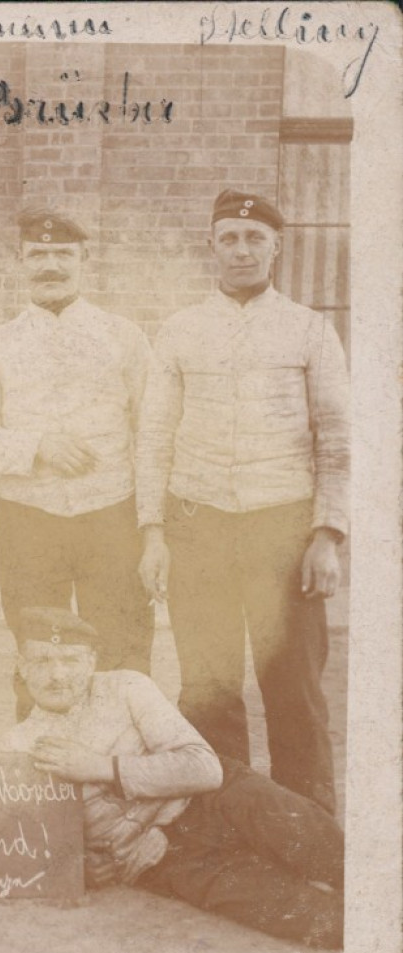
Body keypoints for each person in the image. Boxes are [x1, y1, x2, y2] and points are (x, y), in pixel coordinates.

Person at [137, 189, 351, 814]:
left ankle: (307, 826)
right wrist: (153, 532)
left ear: (276, 246)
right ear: (211, 246)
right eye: (229, 238)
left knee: (293, 685)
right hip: (197, 525)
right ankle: (223, 820)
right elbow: (154, 438)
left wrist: (327, 535)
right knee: (207, 685)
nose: (241, 250)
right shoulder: (179, 330)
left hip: (282, 529)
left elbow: (337, 437)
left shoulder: (310, 329)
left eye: (254, 238)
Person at [6, 607, 343, 949]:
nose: (57, 675)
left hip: (217, 800)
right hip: (162, 856)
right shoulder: (15, 746)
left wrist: (102, 767)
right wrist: (78, 866)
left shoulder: (127, 687)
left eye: (71, 659)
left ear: (92, 660)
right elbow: (24, 840)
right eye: (42, 661)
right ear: (21, 666)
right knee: (293, 912)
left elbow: (204, 768)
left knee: (320, 844)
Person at [0, 209, 154, 718]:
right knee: (38, 651)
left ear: (84, 259)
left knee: (121, 649)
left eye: (62, 254)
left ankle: (118, 762)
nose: (50, 265)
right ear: (19, 261)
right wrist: (36, 446)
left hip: (111, 516)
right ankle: (38, 772)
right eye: (38, 254)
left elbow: (153, 433)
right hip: (29, 520)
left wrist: (152, 528)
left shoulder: (123, 338)